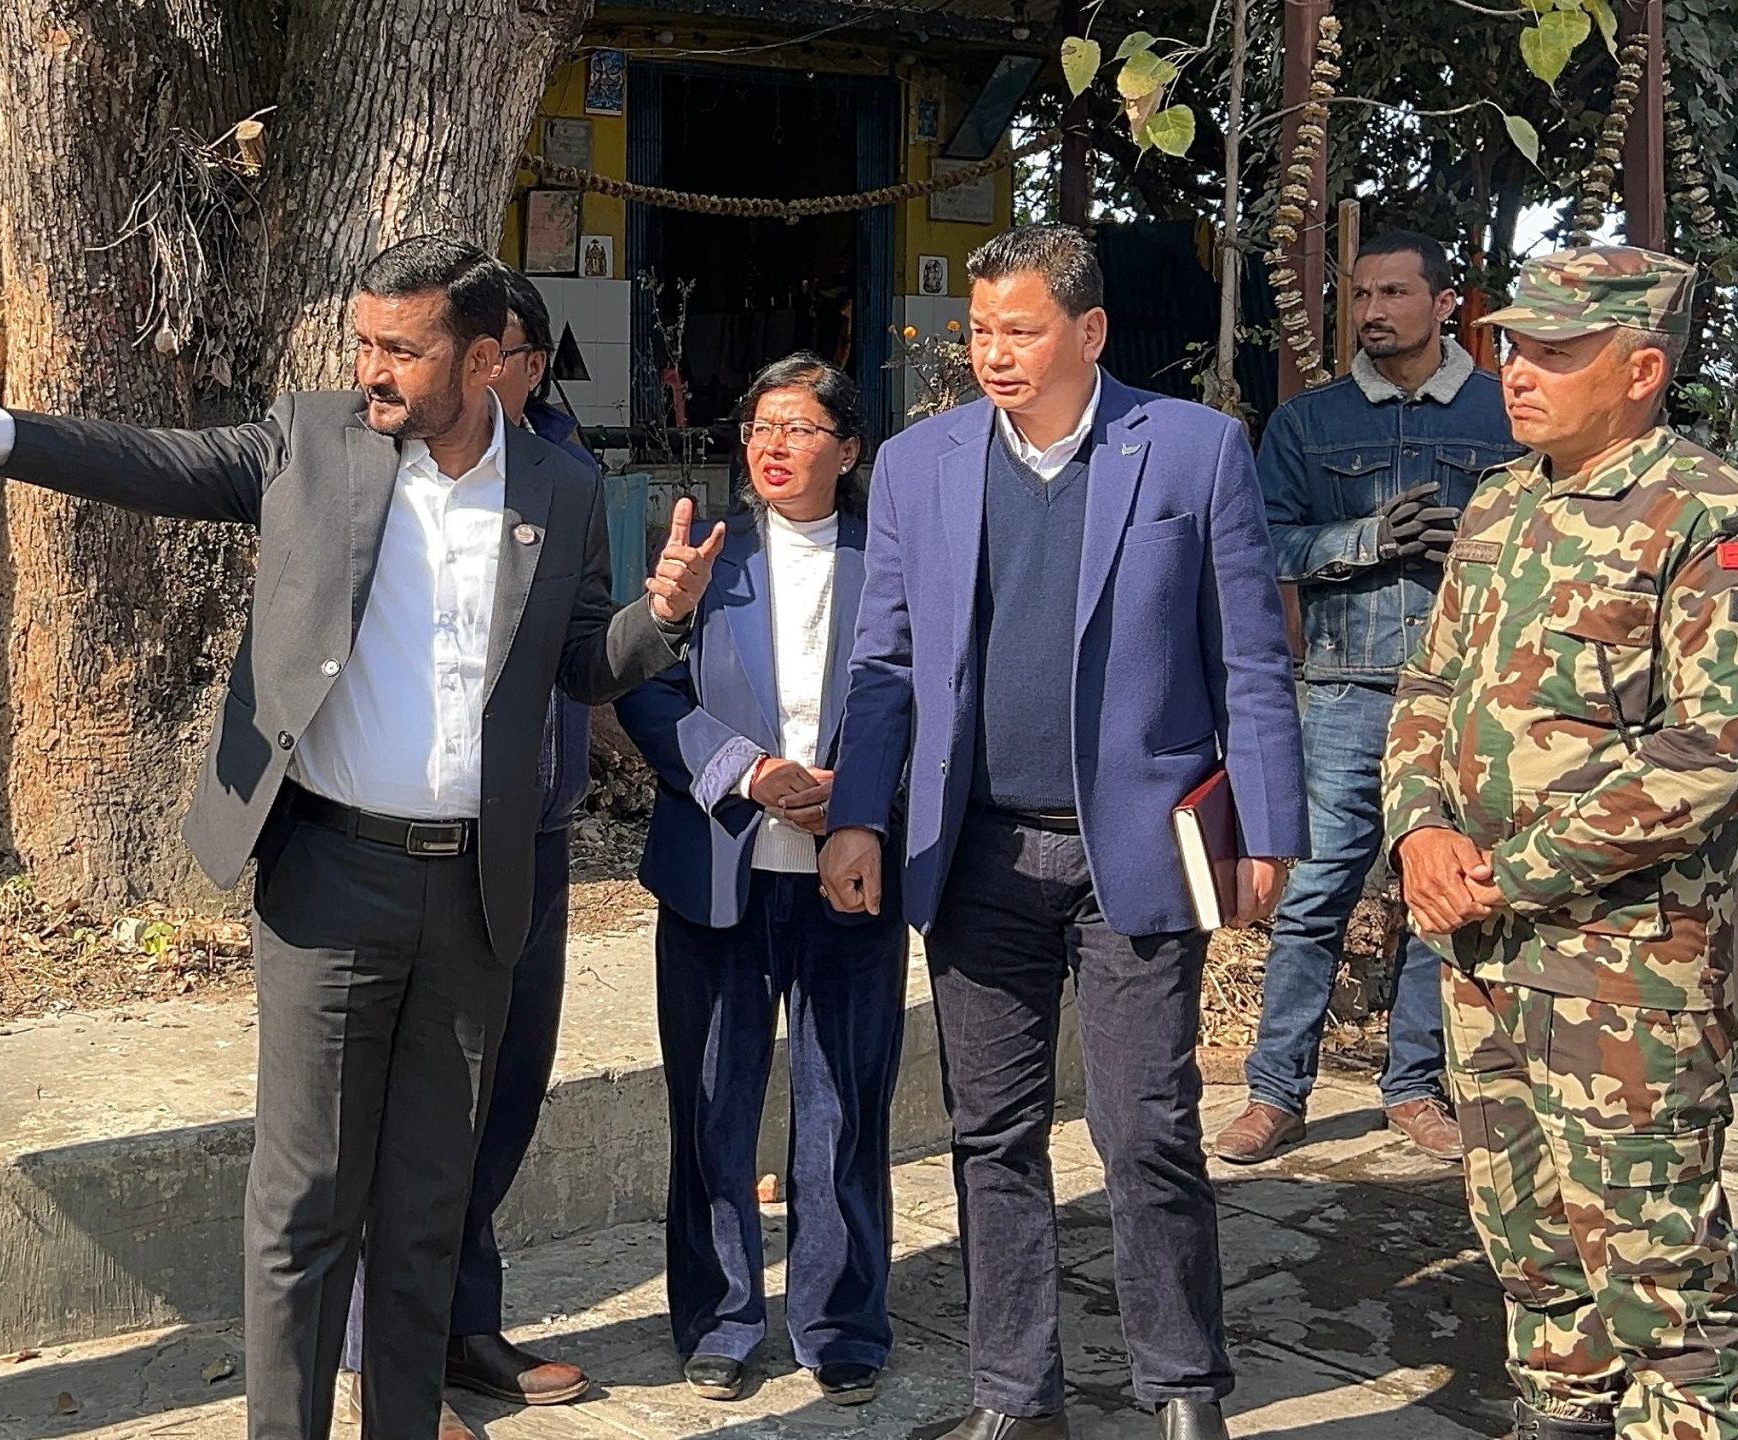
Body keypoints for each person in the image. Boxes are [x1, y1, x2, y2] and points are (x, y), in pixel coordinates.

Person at [0, 235, 720, 1440]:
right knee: (306, 1204)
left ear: (481, 359)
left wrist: (658, 617)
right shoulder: (313, 441)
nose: (371, 370)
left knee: (427, 1206)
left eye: (400, 349)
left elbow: (581, 661)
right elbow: (156, 462)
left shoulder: (556, 489)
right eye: (363, 342)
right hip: (330, 879)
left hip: (476, 893)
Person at [819, 225, 1307, 1440]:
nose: (993, 353)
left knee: (1146, 1127)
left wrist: (1268, 828)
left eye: (1020, 330)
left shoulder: (1190, 449)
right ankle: (1014, 1395)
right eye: (980, 330)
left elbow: (1249, 657)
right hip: (974, 851)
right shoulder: (921, 465)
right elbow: (882, 663)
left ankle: (1181, 1387)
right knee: (990, 1135)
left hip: (1133, 845)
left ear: (1087, 332)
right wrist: (857, 817)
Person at [1383, 245, 1738, 1440]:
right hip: (1481, 954)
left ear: (1640, 370)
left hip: (1624, 970)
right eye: (1511, 349)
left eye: (1551, 351)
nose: (1516, 372)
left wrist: (1512, 874)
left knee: (1662, 1283)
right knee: (1530, 1259)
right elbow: (1427, 684)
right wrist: (1421, 832)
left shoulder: (1704, 513)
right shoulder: (1501, 501)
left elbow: (1709, 748)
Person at [339, 267, 596, 1438]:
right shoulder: (379, 460)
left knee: (493, 1101)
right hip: (402, 842)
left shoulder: (564, 473)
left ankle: (459, 1323)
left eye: (530, 358)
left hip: (529, 836)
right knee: (388, 1118)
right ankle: (376, 1361)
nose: (521, 374)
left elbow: (595, 648)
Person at [617, 353, 901, 1405]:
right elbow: (644, 691)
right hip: (718, 874)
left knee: (844, 1108)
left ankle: (840, 1320)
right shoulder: (703, 560)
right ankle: (721, 1316)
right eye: (759, 428)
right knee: (712, 1108)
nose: (773, 447)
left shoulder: (890, 561)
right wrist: (749, 772)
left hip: (848, 876)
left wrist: (858, 798)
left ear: (849, 449)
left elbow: (921, 692)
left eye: (800, 428)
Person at [1218, 230, 1521, 1167]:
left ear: (1445, 303)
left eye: (1394, 293)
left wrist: (1473, 544)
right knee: (1313, 897)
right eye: (1361, 295)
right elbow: (1261, 542)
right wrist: (1367, 540)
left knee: (1445, 898)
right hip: (1344, 692)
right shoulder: (1309, 424)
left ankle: (1416, 1088)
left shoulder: (1505, 412)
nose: (1373, 311)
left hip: (1468, 694)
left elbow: (1546, 535)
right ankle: (1275, 1093)